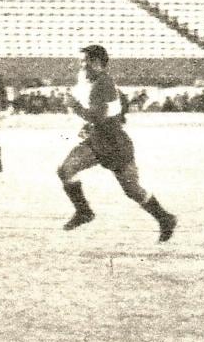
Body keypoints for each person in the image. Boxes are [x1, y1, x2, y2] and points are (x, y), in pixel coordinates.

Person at [57, 45, 177, 242]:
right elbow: (111, 115)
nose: (81, 66)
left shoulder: (103, 84)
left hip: (114, 145)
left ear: (95, 63)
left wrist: (75, 106)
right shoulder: (101, 83)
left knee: (133, 190)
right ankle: (84, 211)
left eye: (83, 61)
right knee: (65, 169)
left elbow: (99, 115)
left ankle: (165, 218)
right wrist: (90, 126)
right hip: (100, 140)